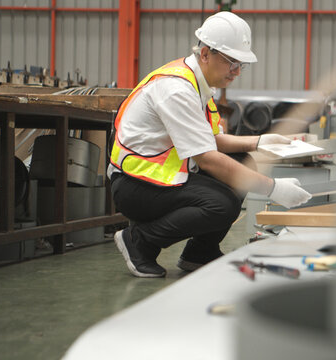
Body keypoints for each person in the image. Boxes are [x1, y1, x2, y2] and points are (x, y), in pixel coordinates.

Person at [108, 11, 312, 278]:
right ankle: (140, 241)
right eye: (232, 62)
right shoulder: (177, 89)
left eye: (242, 64)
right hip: (135, 185)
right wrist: (273, 188)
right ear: (205, 54)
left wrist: (260, 141)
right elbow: (208, 158)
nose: (237, 72)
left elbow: (213, 140)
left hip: (158, 178)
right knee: (222, 204)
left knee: (242, 163)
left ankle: (200, 252)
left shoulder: (199, 85)